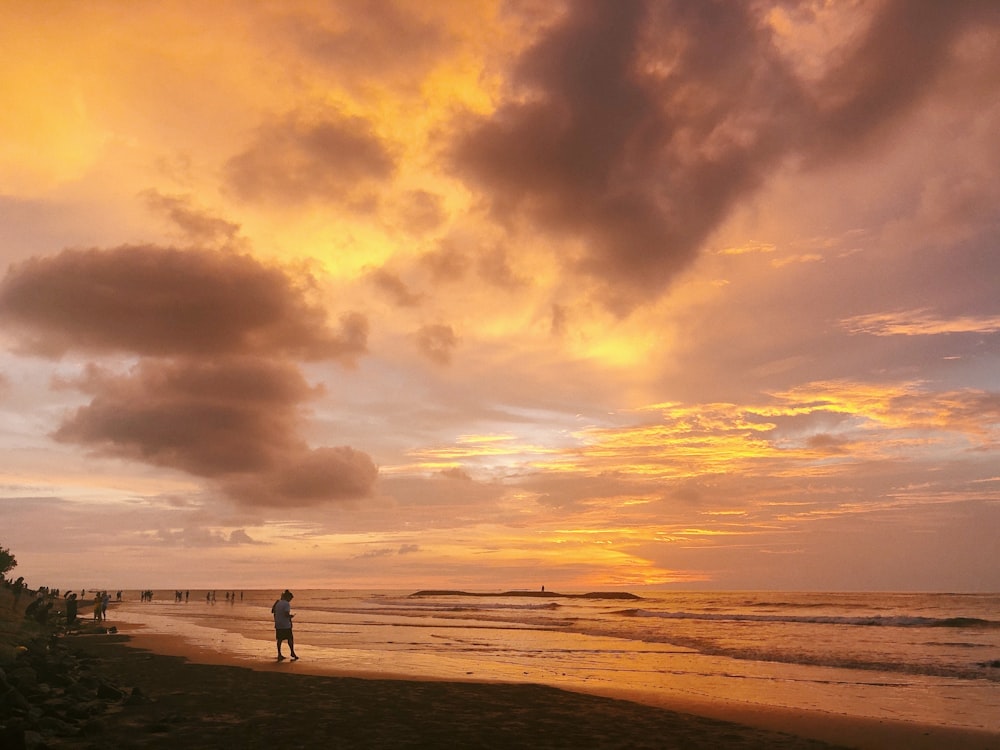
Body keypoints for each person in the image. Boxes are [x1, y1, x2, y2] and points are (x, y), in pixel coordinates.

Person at [271, 589, 299, 661]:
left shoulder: (277, 602)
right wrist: (291, 616)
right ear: (288, 597)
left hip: (278, 623)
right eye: (290, 599)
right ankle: (292, 652)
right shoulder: (286, 604)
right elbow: (286, 614)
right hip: (285, 624)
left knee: (279, 639)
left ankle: (279, 654)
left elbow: (272, 611)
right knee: (290, 638)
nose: (290, 600)